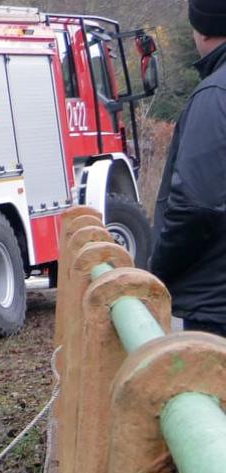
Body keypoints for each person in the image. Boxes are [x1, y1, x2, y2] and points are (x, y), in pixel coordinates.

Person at [152, 0, 226, 337]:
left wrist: (158, 268)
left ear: (203, 28)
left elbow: (196, 205)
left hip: (216, 306)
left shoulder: (214, 95)